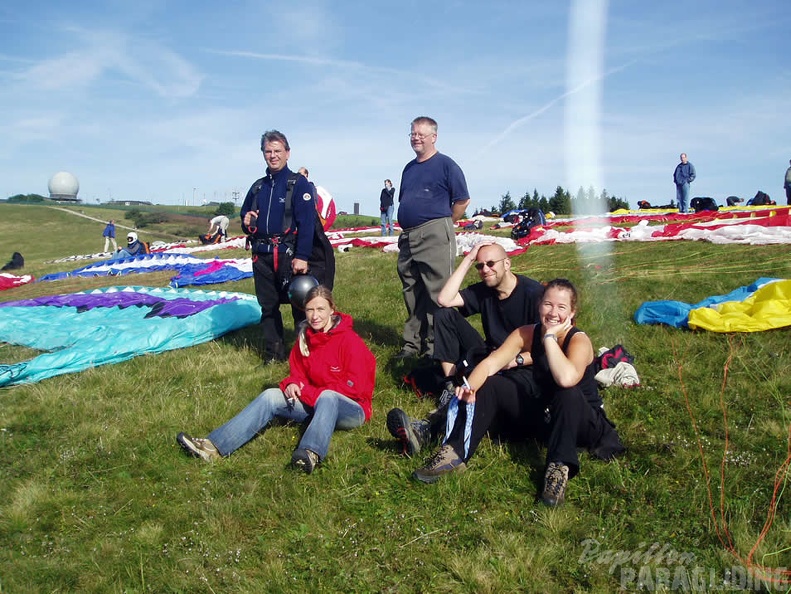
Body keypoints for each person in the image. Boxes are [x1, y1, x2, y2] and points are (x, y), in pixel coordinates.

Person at [412, 279, 625, 507]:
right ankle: (454, 453)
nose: (553, 312)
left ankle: (558, 469)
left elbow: (566, 378)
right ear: (539, 306)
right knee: (491, 383)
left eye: (561, 307)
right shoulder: (526, 333)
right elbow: (490, 364)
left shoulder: (579, 340)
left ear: (572, 313)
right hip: (548, 416)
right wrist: (470, 387)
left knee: (567, 393)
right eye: (548, 304)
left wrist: (550, 338)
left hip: (583, 422)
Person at [177, 285, 375, 474]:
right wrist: (291, 383)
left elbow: (354, 389)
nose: (315, 316)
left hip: (352, 409)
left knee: (328, 396)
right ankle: (214, 447)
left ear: (332, 309)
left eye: (321, 309)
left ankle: (309, 453)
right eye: (309, 310)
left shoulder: (349, 341)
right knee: (271, 396)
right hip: (316, 403)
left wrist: (306, 392)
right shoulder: (305, 338)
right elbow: (297, 373)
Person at [387, 240, 544, 456]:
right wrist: (469, 259)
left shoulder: (533, 294)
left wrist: (513, 361)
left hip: (520, 366)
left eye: (491, 263)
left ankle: (428, 429)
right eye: (480, 266)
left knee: (482, 390)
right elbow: (444, 299)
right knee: (443, 314)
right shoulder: (485, 290)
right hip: (491, 355)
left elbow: (547, 349)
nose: (485, 270)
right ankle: (451, 384)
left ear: (507, 263)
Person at [240, 130, 335, 363]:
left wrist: (302, 256)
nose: (273, 156)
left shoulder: (298, 184)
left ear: (287, 153)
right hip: (262, 256)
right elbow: (245, 215)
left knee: (300, 306)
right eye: (268, 151)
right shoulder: (258, 187)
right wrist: (246, 221)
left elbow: (307, 224)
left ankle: (306, 352)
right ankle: (274, 354)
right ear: (263, 154)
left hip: (289, 255)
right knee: (268, 306)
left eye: (277, 151)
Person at [396, 116, 470, 359]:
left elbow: (462, 200)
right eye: (412, 133)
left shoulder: (446, 165)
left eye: (421, 134)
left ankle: (436, 348)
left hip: (435, 234)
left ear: (433, 137)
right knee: (412, 291)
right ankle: (411, 345)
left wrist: (445, 224)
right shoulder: (409, 168)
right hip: (408, 237)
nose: (415, 137)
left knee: (438, 293)